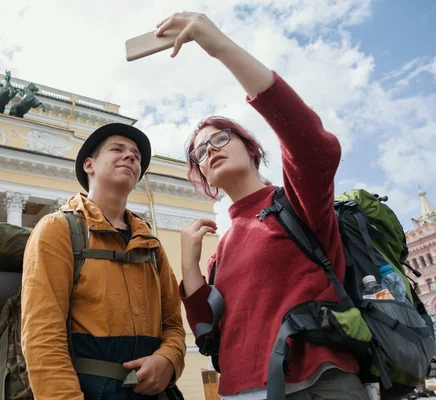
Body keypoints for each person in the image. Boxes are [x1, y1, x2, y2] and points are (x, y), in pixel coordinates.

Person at [156, 11, 368, 400]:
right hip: (239, 392)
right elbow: (208, 331)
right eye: (201, 152)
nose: (210, 151)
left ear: (251, 147)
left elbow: (313, 144)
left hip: (315, 383)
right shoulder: (220, 251)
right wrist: (189, 267)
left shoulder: (295, 203)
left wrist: (220, 47)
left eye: (220, 138)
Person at [20, 122, 186, 399]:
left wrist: (169, 359)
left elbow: (173, 325)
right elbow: (43, 337)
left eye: (136, 155)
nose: (131, 156)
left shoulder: (151, 245)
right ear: (89, 165)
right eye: (117, 149)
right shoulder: (58, 229)